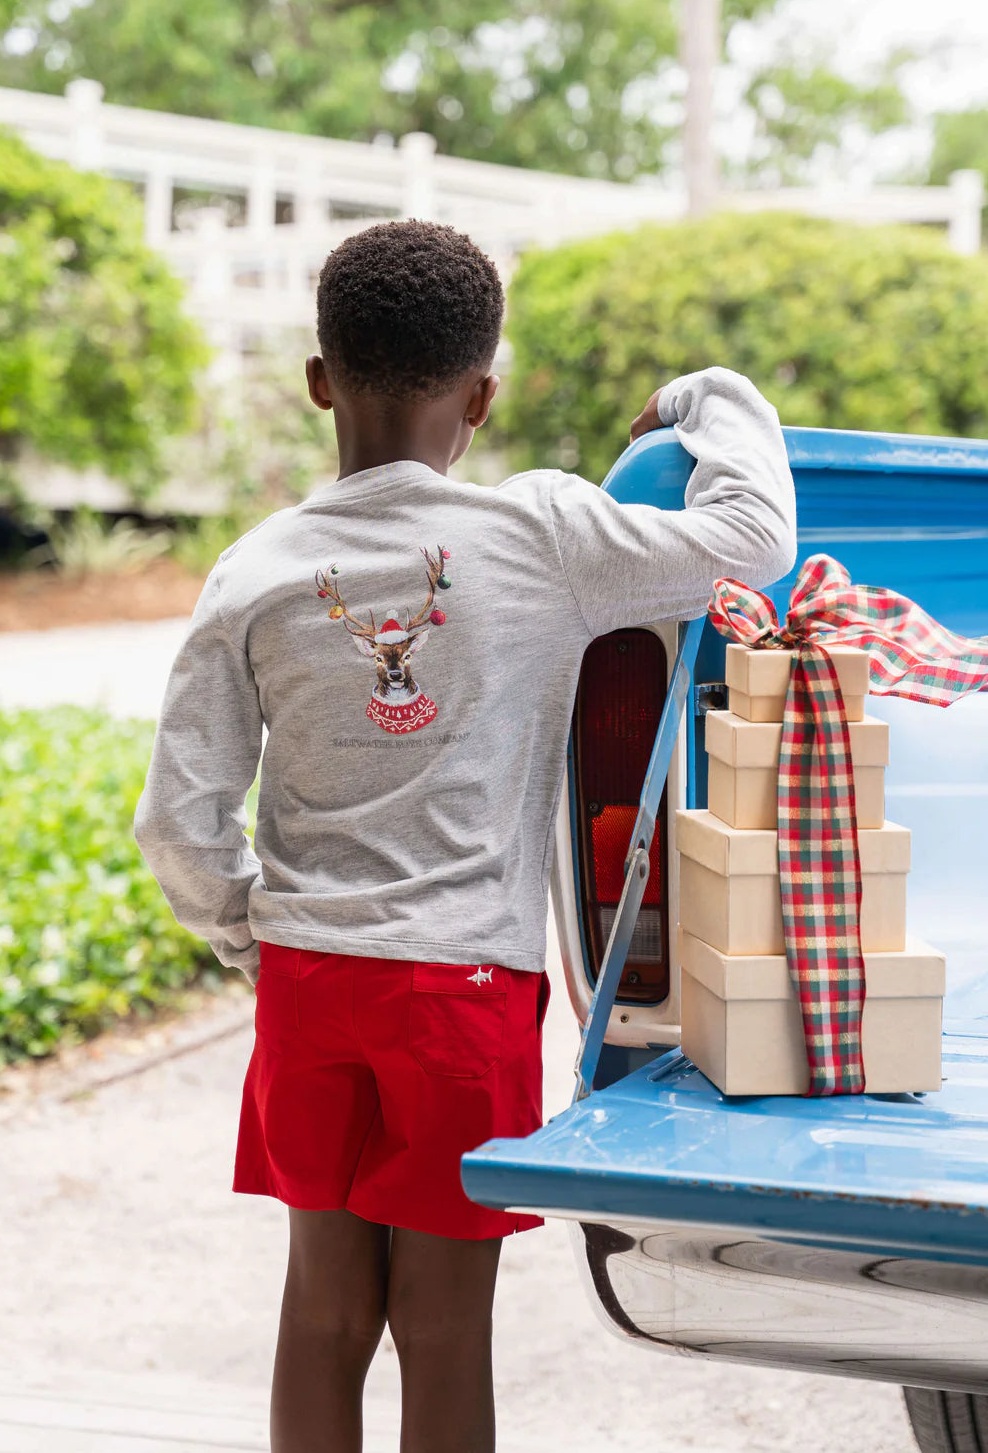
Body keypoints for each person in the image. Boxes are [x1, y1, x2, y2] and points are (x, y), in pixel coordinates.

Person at [134, 219, 796, 1453]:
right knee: (444, 1329)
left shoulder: (257, 568)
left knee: (321, 1313)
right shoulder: (541, 536)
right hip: (462, 994)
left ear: (320, 379)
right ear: (484, 396)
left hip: (311, 987)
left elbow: (178, 819)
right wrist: (713, 398)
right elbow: (756, 539)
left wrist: (252, 939)